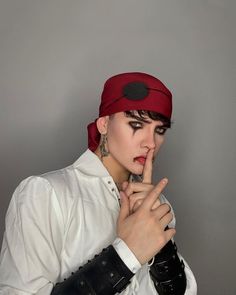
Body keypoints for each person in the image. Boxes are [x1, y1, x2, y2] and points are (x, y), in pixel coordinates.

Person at [0, 72, 197, 294]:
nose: (151, 143)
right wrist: (128, 253)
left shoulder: (157, 205)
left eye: (159, 130)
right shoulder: (46, 194)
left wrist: (160, 246)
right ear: (103, 124)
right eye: (136, 125)